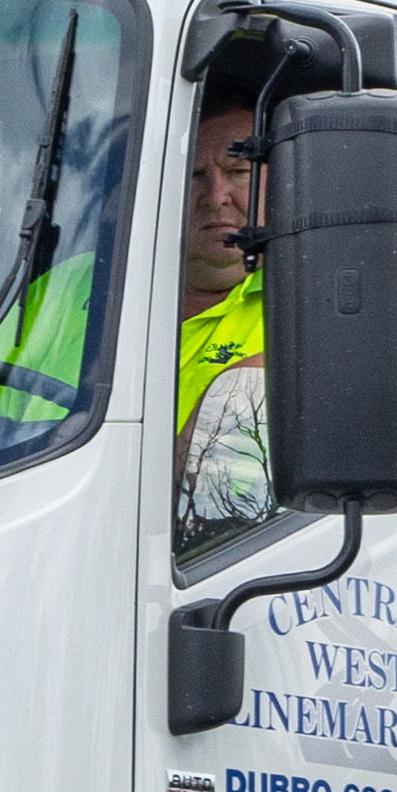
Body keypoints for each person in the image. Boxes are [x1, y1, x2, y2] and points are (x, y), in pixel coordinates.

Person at [166, 84, 275, 539]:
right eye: (193, 177)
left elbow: (232, 500)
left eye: (238, 171)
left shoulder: (312, 304)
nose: (214, 195)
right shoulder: (81, 281)